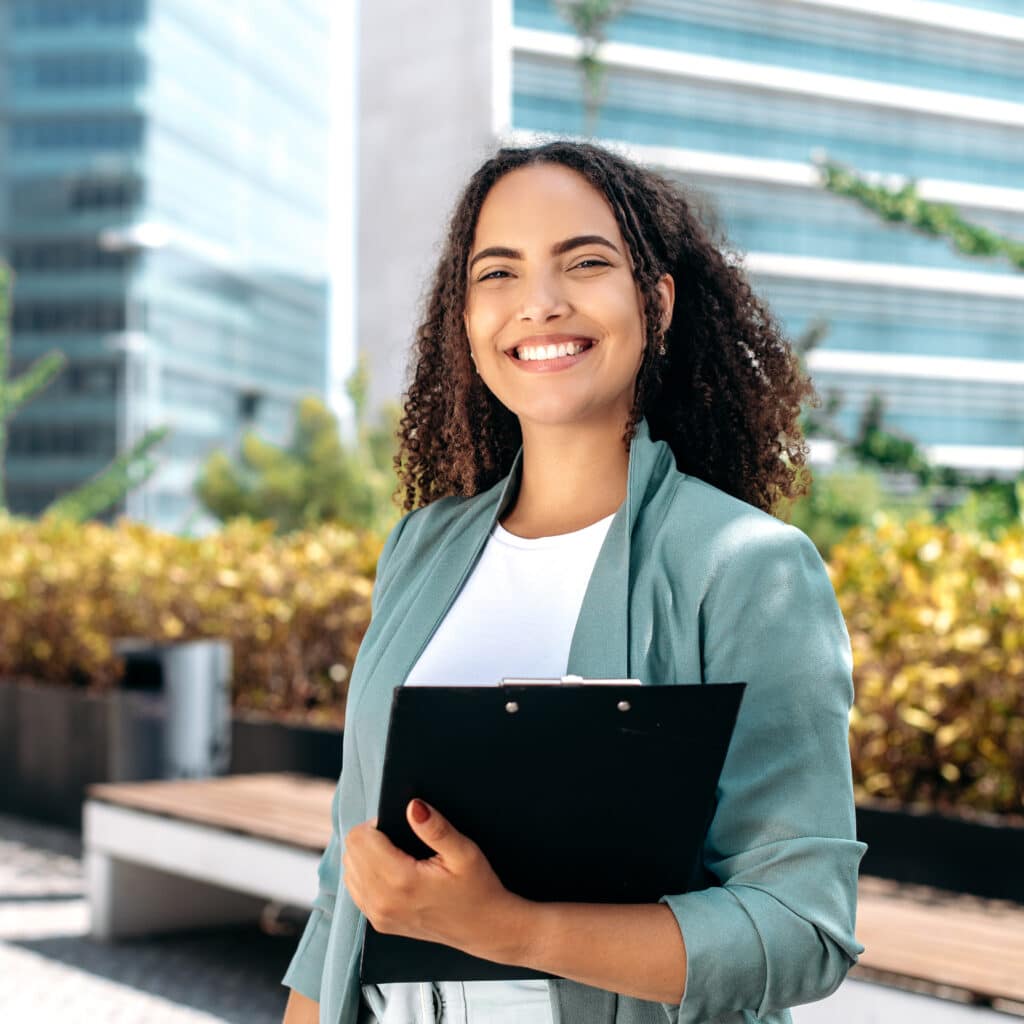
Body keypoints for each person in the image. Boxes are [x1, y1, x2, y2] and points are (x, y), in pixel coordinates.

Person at [281, 139, 867, 1024]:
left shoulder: (745, 568)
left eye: (584, 263)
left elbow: (802, 926)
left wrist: (515, 931)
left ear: (656, 303)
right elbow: (347, 885)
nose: (540, 304)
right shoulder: (421, 548)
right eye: (499, 274)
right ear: (465, 316)